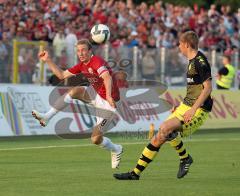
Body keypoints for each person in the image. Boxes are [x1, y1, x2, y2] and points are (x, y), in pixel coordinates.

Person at [114, 31, 213, 180]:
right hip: (186, 105)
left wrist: (192, 110)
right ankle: (136, 173)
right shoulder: (192, 61)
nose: (179, 47)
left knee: (166, 128)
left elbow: (208, 88)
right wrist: (181, 106)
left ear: (186, 44)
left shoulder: (200, 62)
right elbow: (194, 89)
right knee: (160, 135)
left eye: (180, 44)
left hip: (199, 108)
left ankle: (185, 157)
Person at [32, 39, 123, 169]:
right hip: (97, 96)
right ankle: (47, 116)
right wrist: (48, 60)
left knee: (95, 139)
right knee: (76, 90)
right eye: (78, 51)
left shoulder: (97, 61)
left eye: (83, 50)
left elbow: (107, 77)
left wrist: (108, 96)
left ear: (90, 51)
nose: (81, 53)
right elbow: (62, 75)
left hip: (109, 104)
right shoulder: (82, 65)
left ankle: (116, 149)